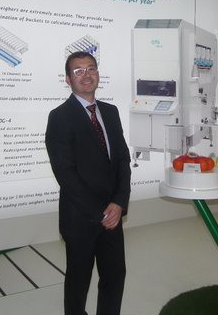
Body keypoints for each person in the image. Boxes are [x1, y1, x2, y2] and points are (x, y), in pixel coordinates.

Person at [45, 52, 131, 315]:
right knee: (78, 282)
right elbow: (65, 174)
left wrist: (119, 202)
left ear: (98, 74)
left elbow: (122, 160)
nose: (86, 75)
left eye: (91, 68)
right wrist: (100, 212)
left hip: (113, 214)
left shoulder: (111, 112)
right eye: (78, 71)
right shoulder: (59, 117)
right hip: (81, 217)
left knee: (115, 275)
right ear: (68, 79)